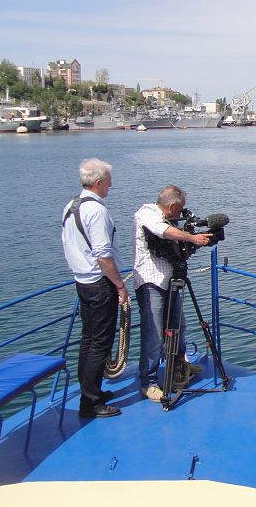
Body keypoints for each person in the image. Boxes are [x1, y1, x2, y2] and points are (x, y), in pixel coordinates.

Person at [61, 158, 128, 419]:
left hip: (83, 282)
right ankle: (91, 403)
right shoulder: (96, 211)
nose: (111, 184)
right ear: (99, 182)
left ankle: (91, 392)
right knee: (100, 343)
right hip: (100, 284)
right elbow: (103, 255)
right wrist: (120, 285)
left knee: (88, 341)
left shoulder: (71, 206)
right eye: (109, 180)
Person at [133, 185, 211, 402]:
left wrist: (192, 239)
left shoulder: (172, 220)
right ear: (172, 206)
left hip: (172, 280)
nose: (181, 212)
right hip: (151, 282)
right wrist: (192, 238)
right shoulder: (146, 213)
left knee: (179, 326)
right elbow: (161, 231)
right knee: (155, 334)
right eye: (180, 208)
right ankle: (148, 383)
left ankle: (179, 366)